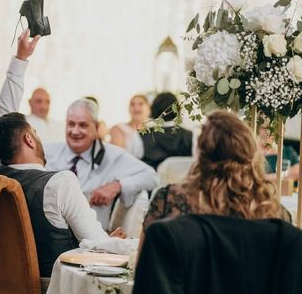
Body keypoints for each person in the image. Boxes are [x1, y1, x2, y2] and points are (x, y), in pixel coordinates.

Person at [0, 30, 132, 278]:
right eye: (35, 132)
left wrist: (20, 59)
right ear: (29, 139)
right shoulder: (59, 183)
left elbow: (3, 117)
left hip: (1, 288)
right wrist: (119, 245)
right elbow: (96, 243)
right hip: (51, 291)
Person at [142, 110, 288, 242]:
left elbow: (145, 266)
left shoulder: (168, 200)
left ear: (200, 153)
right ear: (251, 154)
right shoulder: (274, 212)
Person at [44, 99, 158, 229]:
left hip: (91, 242)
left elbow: (152, 177)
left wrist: (118, 185)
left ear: (96, 127)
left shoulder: (113, 156)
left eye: (83, 125)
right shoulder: (47, 153)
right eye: (71, 124)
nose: (75, 131)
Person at [140, 92, 192, 169]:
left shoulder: (141, 136)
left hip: (151, 180)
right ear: (178, 109)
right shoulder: (190, 136)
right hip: (182, 180)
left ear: (153, 109)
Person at [109, 94, 150, 159]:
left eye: (141, 104)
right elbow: (117, 156)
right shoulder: (119, 129)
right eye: (132, 104)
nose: (136, 108)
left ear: (148, 108)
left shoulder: (155, 128)